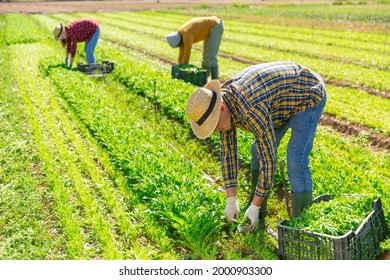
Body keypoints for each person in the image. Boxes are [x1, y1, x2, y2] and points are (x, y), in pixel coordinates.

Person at [186, 62, 326, 231]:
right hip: (278, 104)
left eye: (215, 126)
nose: (216, 131)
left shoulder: (251, 108)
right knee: (256, 151)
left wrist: (255, 206)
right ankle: (257, 209)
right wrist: (231, 200)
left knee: (296, 158)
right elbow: (228, 154)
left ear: (222, 108)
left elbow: (269, 160)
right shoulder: (222, 108)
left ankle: (302, 224)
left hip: (306, 94)